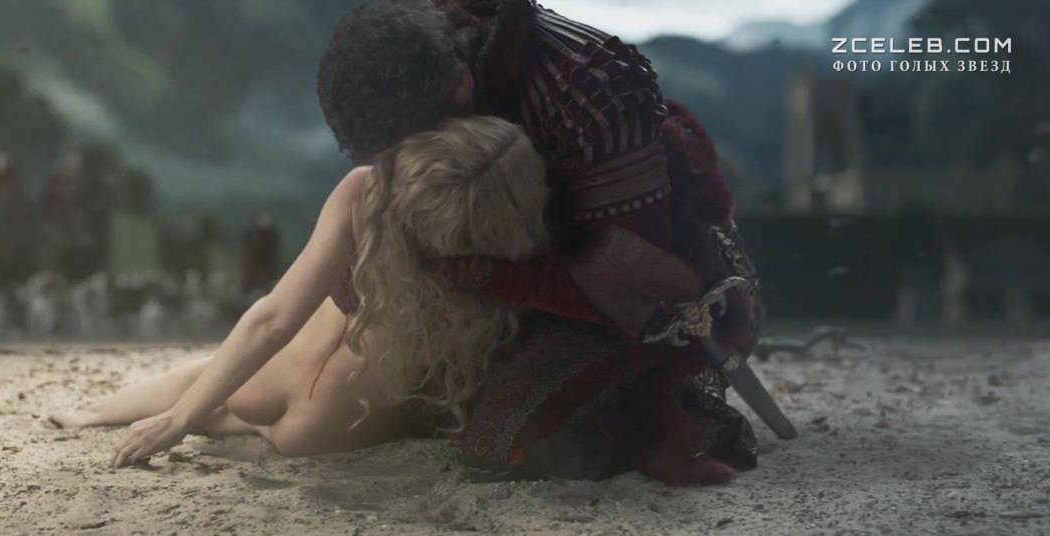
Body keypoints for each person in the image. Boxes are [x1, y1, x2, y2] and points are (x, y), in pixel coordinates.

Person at [314, 0, 762, 482]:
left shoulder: (594, 92)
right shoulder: (415, 57)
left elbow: (640, 293)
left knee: (500, 440)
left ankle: (650, 422)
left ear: (463, 85)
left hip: (636, 295)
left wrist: (483, 274)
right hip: (502, 276)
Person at [52, 117, 553, 464]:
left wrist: (179, 420)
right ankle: (113, 414)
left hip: (271, 376)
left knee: (213, 381)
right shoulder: (500, 266)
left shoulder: (367, 191)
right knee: (227, 413)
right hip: (330, 424)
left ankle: (93, 414)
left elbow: (273, 320)